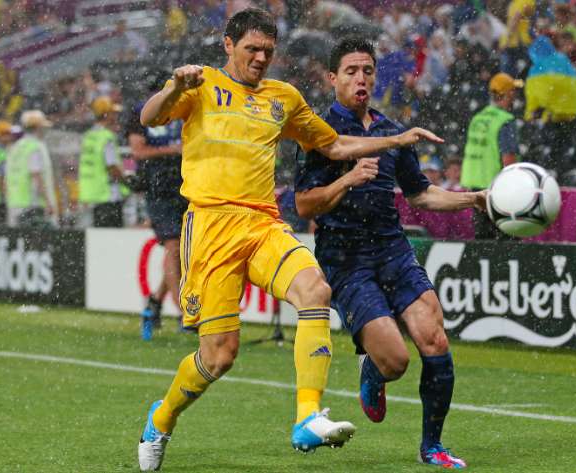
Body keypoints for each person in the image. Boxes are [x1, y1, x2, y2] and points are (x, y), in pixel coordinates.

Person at [135, 8, 444, 471]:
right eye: (250, 49)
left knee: (315, 288)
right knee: (218, 357)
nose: (260, 58)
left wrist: (395, 141)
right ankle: (161, 418)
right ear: (227, 44)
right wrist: (175, 85)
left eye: (267, 51)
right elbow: (149, 116)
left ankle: (306, 417)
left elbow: (335, 145)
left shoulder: (284, 98)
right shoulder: (200, 86)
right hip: (212, 227)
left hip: (262, 224)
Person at [295, 37, 487, 469]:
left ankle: (432, 447)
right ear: (332, 78)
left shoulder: (390, 131)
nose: (360, 79)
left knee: (435, 339)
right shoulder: (316, 132)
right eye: (350, 71)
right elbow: (304, 205)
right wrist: (346, 181)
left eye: (367, 70)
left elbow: (420, 195)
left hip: (392, 249)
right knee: (396, 361)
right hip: (345, 259)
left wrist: (472, 198)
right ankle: (374, 370)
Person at [125, 78, 187, 336]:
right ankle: (185, 314)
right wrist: (173, 150)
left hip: (186, 187)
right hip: (157, 189)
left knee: (184, 252)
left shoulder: (183, 110)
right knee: (174, 247)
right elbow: (138, 152)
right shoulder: (140, 114)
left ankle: (153, 303)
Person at [461, 72, 521, 240]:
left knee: (483, 241)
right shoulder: (505, 120)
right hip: (498, 189)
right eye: (513, 91)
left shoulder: (478, 118)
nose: (515, 95)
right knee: (508, 242)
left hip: (476, 188)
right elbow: (508, 159)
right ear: (507, 93)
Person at [79, 96, 127, 228]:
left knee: (100, 238)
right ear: (107, 114)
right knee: (113, 240)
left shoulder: (88, 136)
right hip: (109, 196)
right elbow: (112, 166)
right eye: (113, 113)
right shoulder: (106, 137)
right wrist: (128, 183)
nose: (116, 116)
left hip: (93, 196)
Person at [5, 110, 58, 228]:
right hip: (32, 205)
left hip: (14, 201)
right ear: (38, 127)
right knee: (37, 242)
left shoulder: (15, 147)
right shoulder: (35, 147)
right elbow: (36, 176)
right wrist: (48, 202)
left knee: (19, 240)